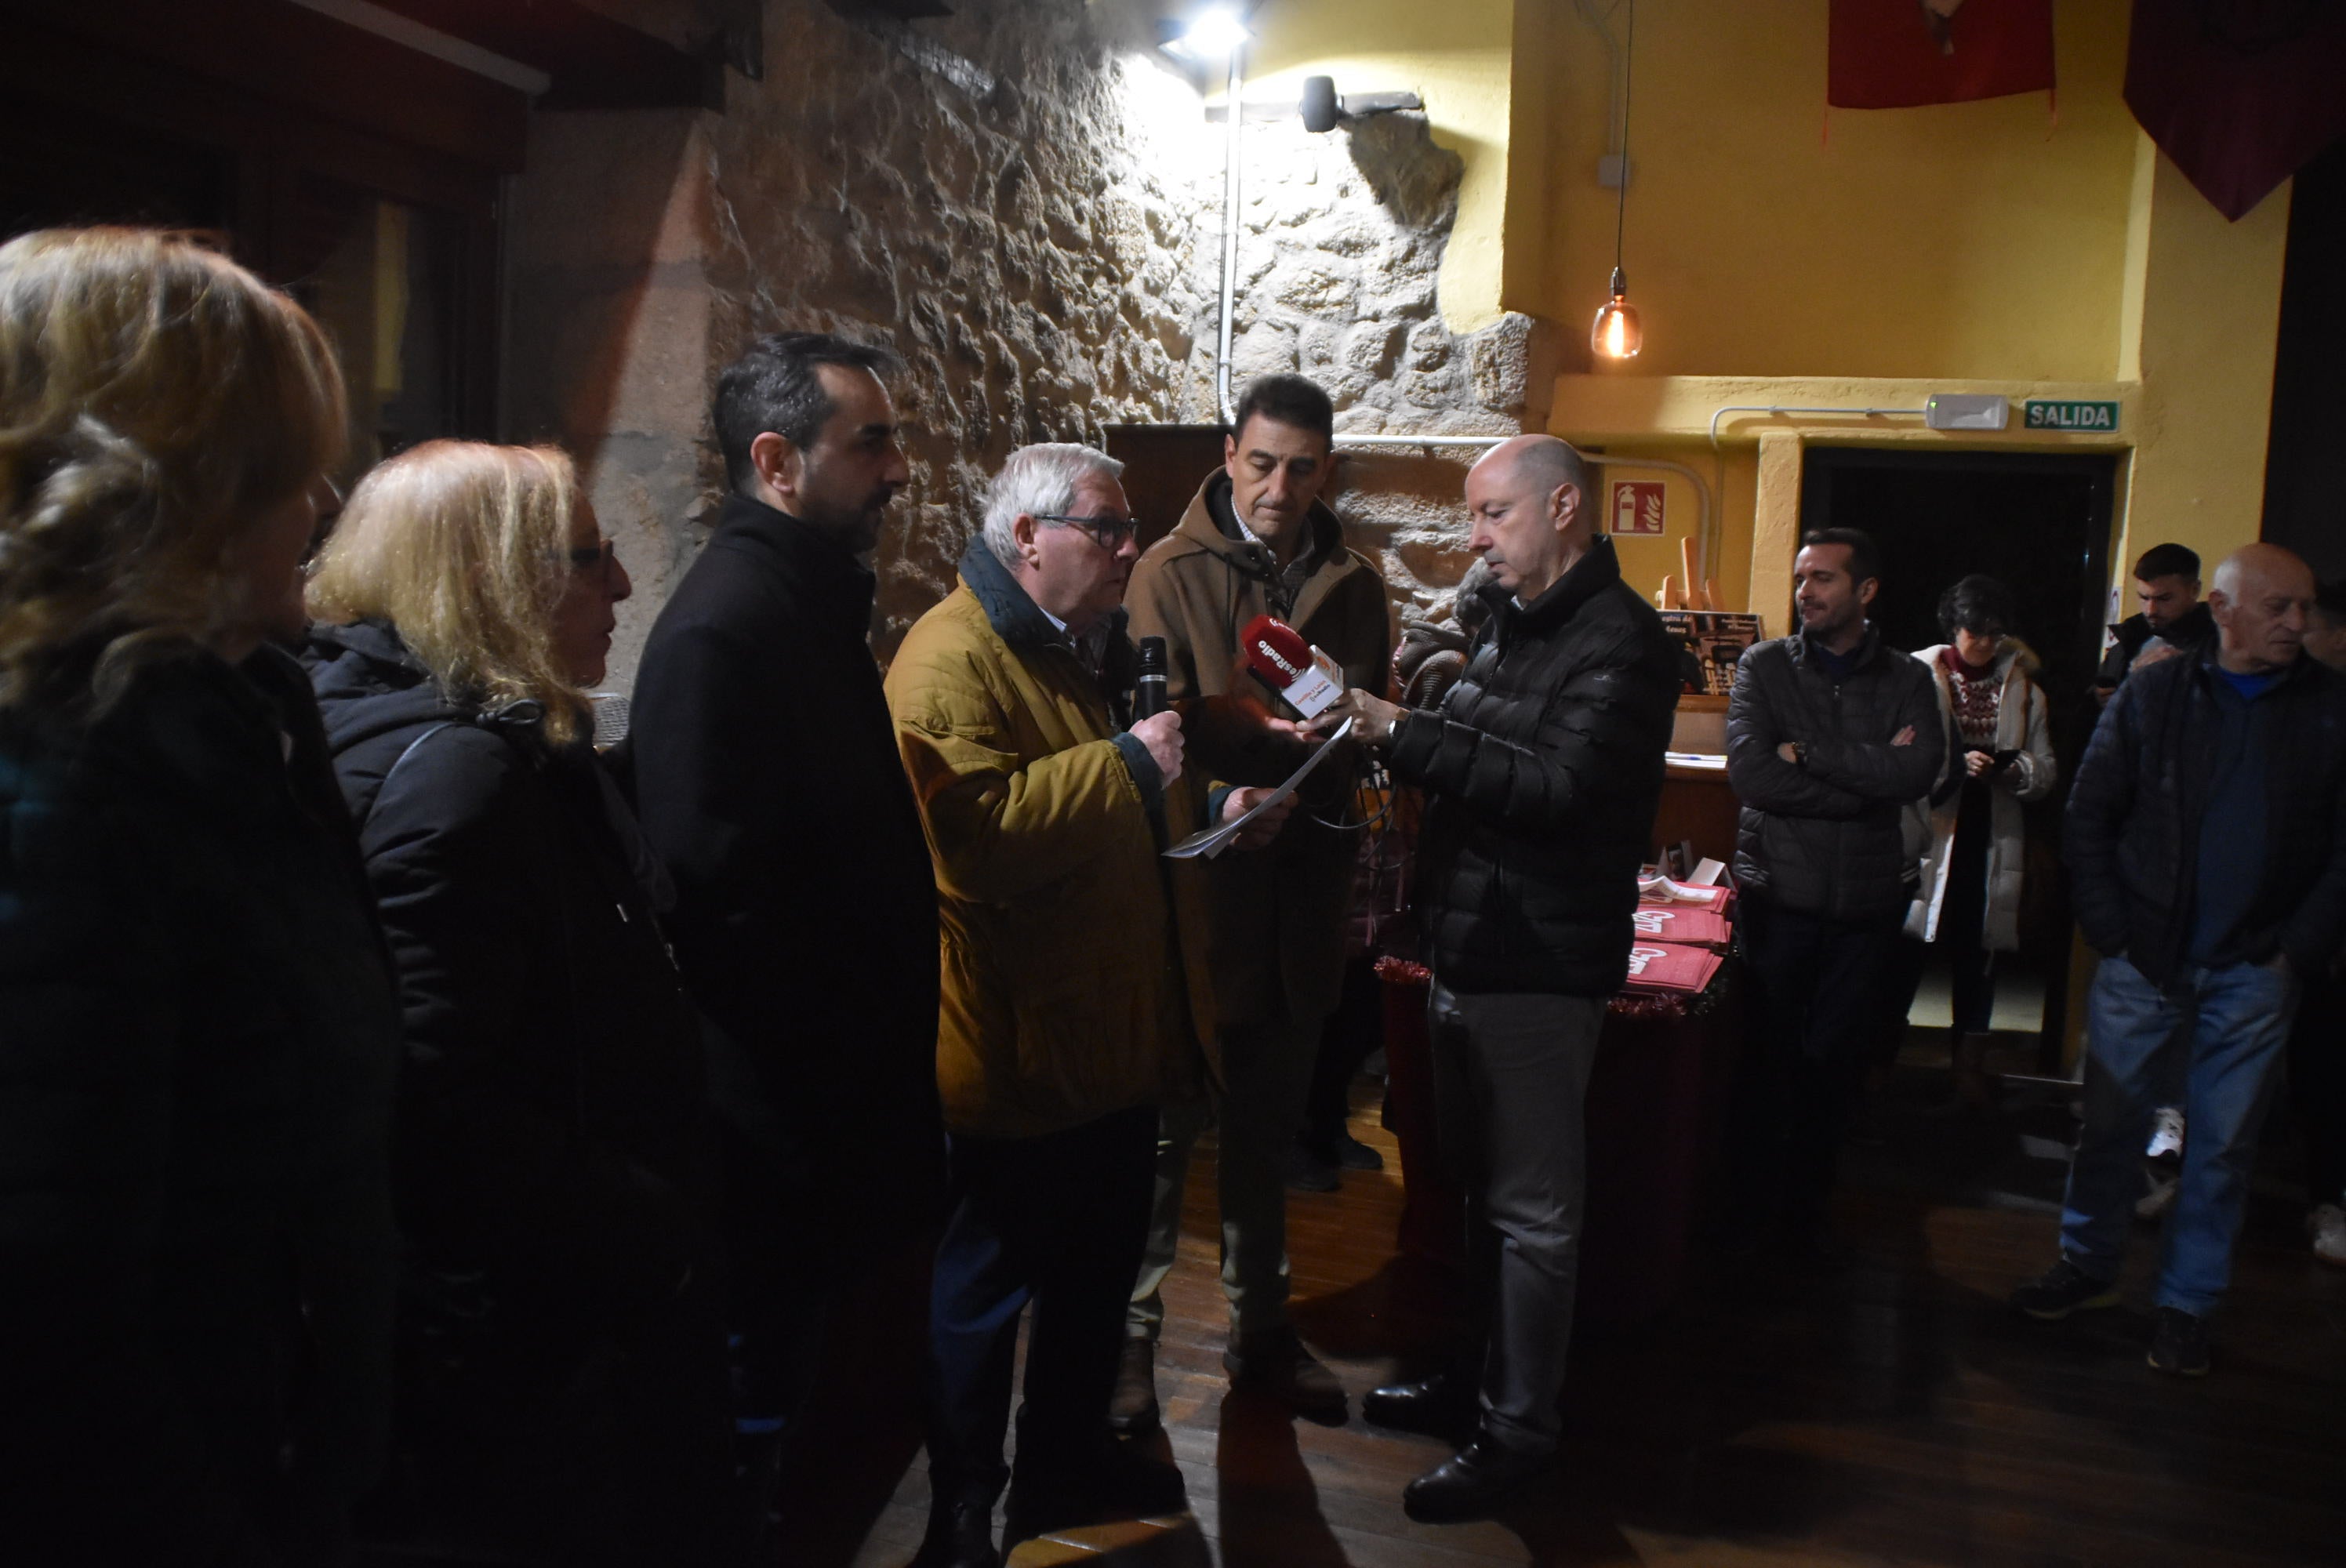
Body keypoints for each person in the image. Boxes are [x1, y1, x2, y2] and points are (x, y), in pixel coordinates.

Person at [0, 227, 399, 1561]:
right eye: (288, 468)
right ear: (174, 489)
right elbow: (57, 1314)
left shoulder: (235, 728)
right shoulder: (70, 786)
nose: (325, 500)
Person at [302, 441, 742, 1562]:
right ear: (494, 578)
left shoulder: (486, 744)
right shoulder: (455, 776)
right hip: (520, 1340)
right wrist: (645, 1222)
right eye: (594, 559)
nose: (627, 588)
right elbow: (443, 1103)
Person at [886, 443, 1288, 1567]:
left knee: (1092, 1287)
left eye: (1126, 531)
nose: (1127, 551)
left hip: (1107, 1041)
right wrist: (1128, 767)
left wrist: (1218, 803)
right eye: (1106, 530)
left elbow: (1122, 793)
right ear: (1029, 538)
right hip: (1017, 1051)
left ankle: (1059, 1468)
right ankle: (964, 1507)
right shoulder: (946, 660)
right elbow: (975, 842)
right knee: (981, 1302)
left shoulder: (1070, 648)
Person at [1317, 434, 1680, 1523]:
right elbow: (1468, 723)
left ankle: (1519, 1433)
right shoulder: (1506, 621)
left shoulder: (1627, 644)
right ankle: (1473, 1385)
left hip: (1538, 961)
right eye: (1474, 519)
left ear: (1564, 508)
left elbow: (1558, 787)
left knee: (1532, 1216)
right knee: (1476, 1194)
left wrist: (1403, 731)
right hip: (1468, 945)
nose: (1473, 540)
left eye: (1492, 516)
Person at [628, 333, 946, 1443]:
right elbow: (714, 905)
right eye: (872, 444)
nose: (900, 470)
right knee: (763, 1408)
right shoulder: (727, 626)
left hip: (837, 1114)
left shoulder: (803, 604)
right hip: (785, 1131)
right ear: (777, 462)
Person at [1113, 374, 1392, 1430]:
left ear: (1326, 470)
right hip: (1201, 900)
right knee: (1164, 1141)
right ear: (1230, 453)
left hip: (1301, 893)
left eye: (1302, 467)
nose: (1280, 487)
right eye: (1263, 462)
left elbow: (1365, 711)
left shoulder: (1356, 583)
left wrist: (1337, 742)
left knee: (1267, 1137)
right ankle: (1130, 1344)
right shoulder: (1164, 572)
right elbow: (1147, 729)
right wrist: (1228, 787)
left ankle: (1260, 1328)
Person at [2014, 543, 2346, 1375]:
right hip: (2143, 960)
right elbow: (2088, 815)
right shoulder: (2155, 691)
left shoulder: (2331, 709)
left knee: (2222, 1146)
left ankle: (2187, 1303)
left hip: (2255, 970)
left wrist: (2295, 950)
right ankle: (2087, 1266)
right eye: (2280, 607)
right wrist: (2112, 931)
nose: (2297, 623)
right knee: (2113, 1127)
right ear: (2226, 610)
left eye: (2303, 608)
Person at [1724, 528, 1944, 1254]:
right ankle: (1747, 1215)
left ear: (1865, 591)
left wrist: (1812, 755)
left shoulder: (1908, 677)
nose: (1805, 592)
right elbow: (1755, 777)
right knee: (1766, 1064)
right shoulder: (1764, 666)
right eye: (1801, 578)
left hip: (1864, 907)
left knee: (1833, 1071)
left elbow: (1917, 778)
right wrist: (1867, 779)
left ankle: (1806, 1217)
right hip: (1777, 897)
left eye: (1823, 579)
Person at [1905, 575, 2057, 1104]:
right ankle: (1880, 1058)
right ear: (1954, 627)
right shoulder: (1917, 677)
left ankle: (1968, 1066)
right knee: (1904, 950)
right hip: (1928, 828)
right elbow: (1895, 755)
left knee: (1981, 953)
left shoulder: (2025, 691)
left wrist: (2011, 771)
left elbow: (2046, 772)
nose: (1986, 644)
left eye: (1996, 634)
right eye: (1976, 632)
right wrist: (1952, 763)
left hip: (1990, 831)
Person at [2296, 581, 2346, 1266]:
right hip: (2292, 929)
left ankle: (2330, 1198)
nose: (2293, 634)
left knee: (2328, 1069)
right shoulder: (2295, 709)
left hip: (2328, 928)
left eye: (2303, 621)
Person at [2094, 541, 2214, 705]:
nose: (2151, 610)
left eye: (2164, 599)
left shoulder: (2222, 644)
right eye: (2144, 598)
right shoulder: (2131, 637)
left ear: (2194, 590)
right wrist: (2097, 698)